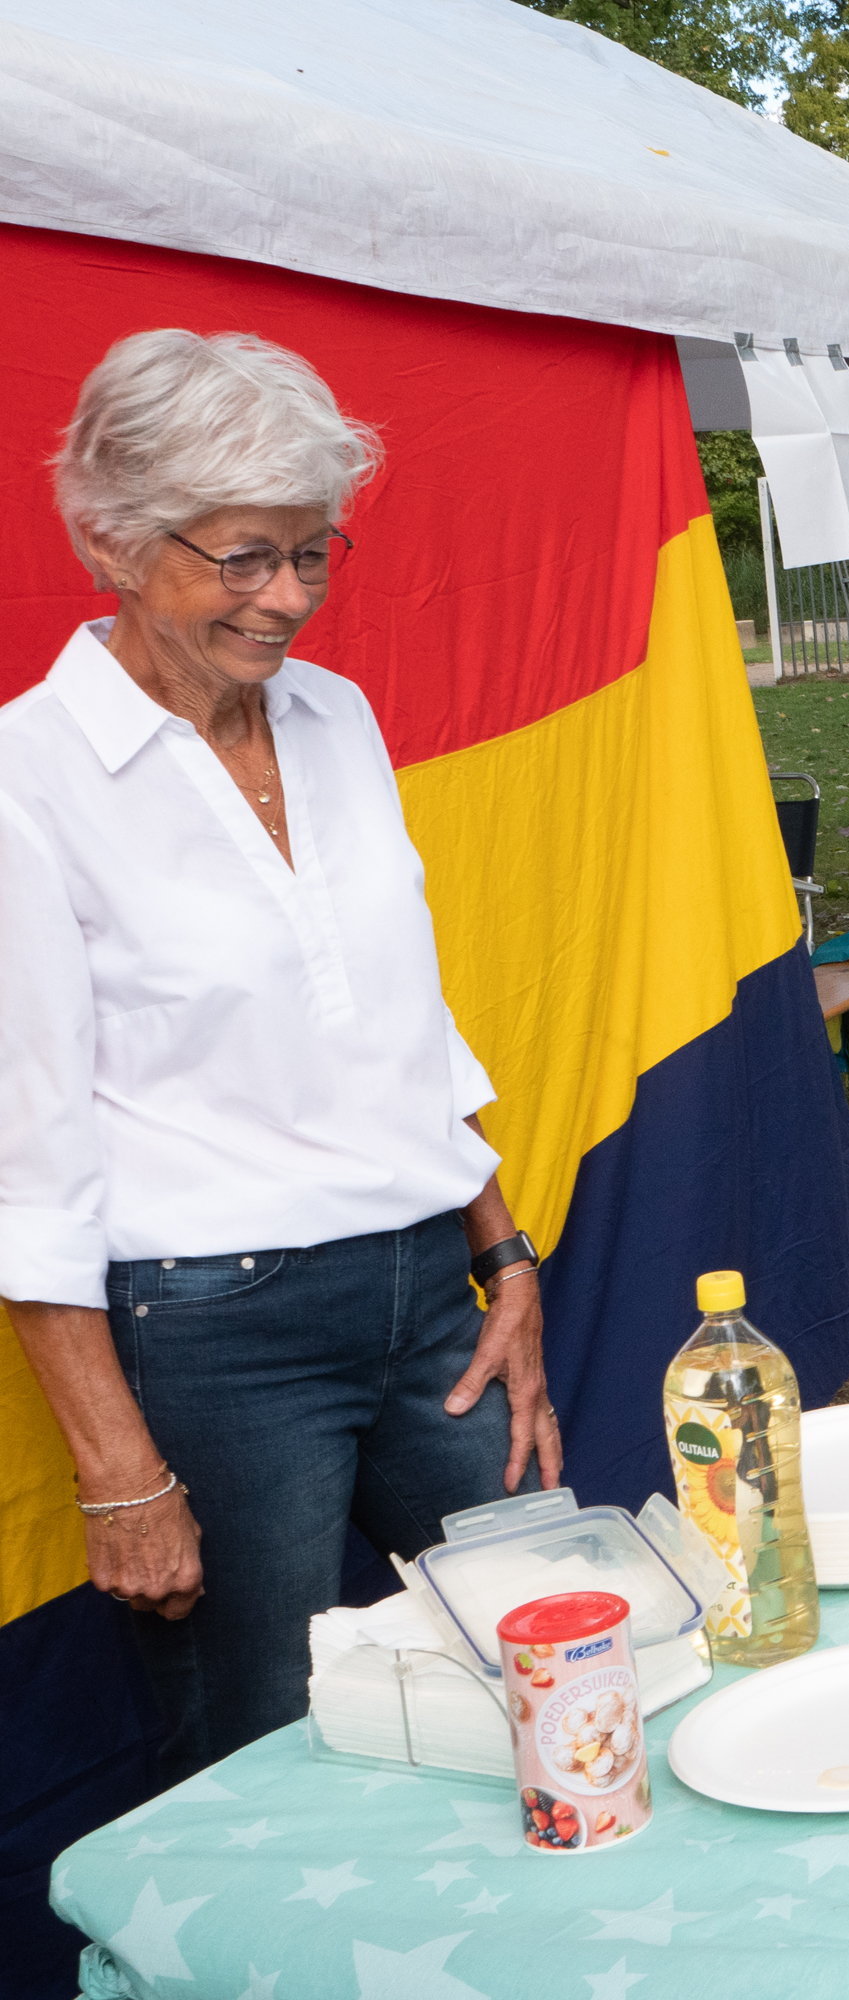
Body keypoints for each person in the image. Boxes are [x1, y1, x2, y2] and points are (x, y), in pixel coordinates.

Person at [0, 330, 558, 1781]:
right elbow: (30, 1155)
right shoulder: (29, 779)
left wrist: (504, 1259)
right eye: (245, 559)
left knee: (554, 1650)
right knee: (271, 1753)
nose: (289, 601)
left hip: (425, 1288)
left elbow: (405, 1015)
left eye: (313, 554)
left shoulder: (339, 718)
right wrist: (120, 1474)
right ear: (116, 540)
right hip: (215, 1335)